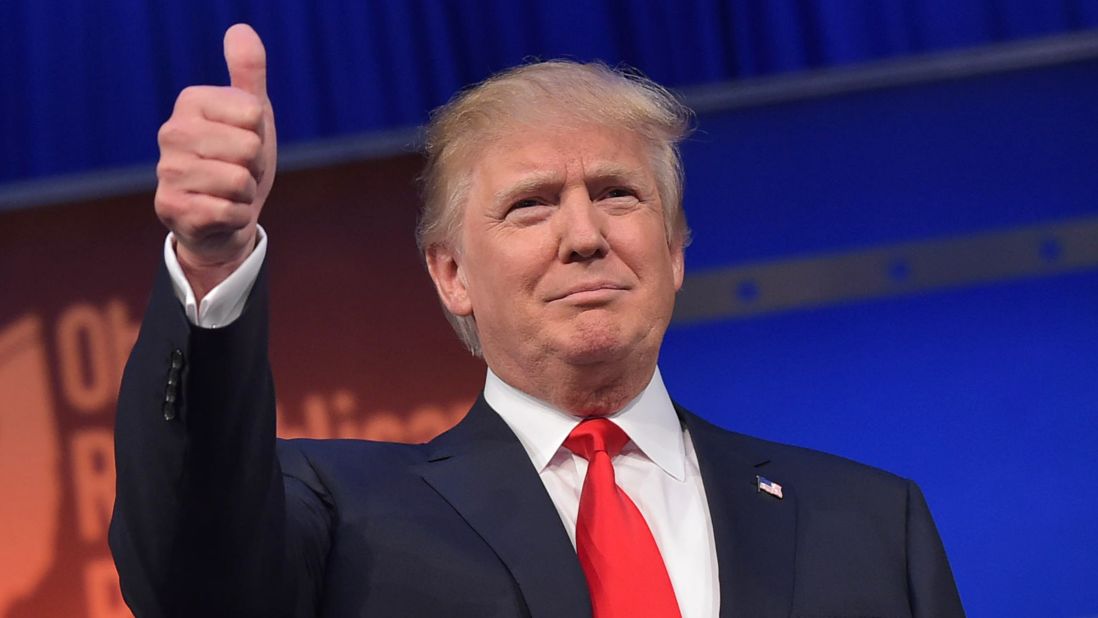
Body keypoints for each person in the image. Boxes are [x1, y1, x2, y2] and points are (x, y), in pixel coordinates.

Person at [110, 24, 965, 618]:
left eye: (617, 194)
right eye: (530, 206)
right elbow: (192, 579)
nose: (584, 236)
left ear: (673, 251)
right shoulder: (341, 515)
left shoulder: (869, 524)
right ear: (451, 276)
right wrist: (212, 266)